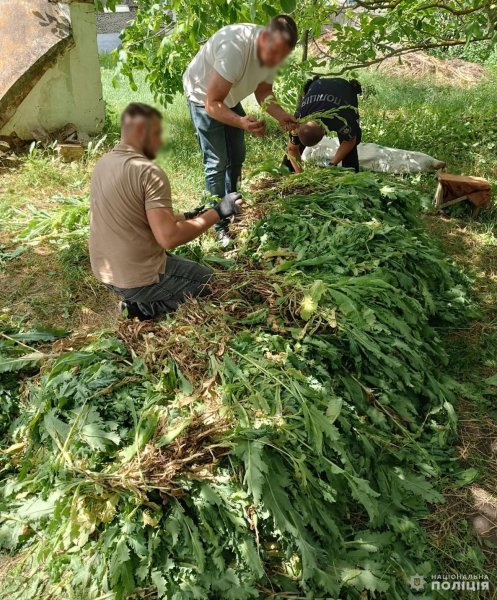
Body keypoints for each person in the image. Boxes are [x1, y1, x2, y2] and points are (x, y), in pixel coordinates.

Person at [89, 102, 243, 321]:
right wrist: (219, 212)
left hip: (105, 272)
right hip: (135, 278)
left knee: (188, 270)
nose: (160, 142)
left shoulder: (104, 163)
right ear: (143, 131)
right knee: (215, 284)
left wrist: (189, 217)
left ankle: (137, 301)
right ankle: (145, 307)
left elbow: (139, 219)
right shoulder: (148, 172)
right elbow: (168, 238)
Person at [183, 15, 299, 246]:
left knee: (236, 155)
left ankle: (231, 203)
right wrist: (242, 122)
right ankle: (217, 224)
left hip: (227, 96)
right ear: (263, 37)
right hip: (203, 96)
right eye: (273, 53)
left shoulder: (275, 49)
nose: (275, 61)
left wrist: (281, 115)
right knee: (217, 161)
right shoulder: (235, 48)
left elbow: (264, 92)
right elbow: (212, 103)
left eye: (281, 56)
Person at [284, 77, 363, 173]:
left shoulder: (341, 119)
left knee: (351, 139)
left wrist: (332, 164)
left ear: (324, 130)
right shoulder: (298, 121)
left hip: (343, 88)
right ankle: (286, 171)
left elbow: (350, 141)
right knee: (298, 143)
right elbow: (292, 149)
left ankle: (351, 173)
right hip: (316, 85)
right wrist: (300, 174)